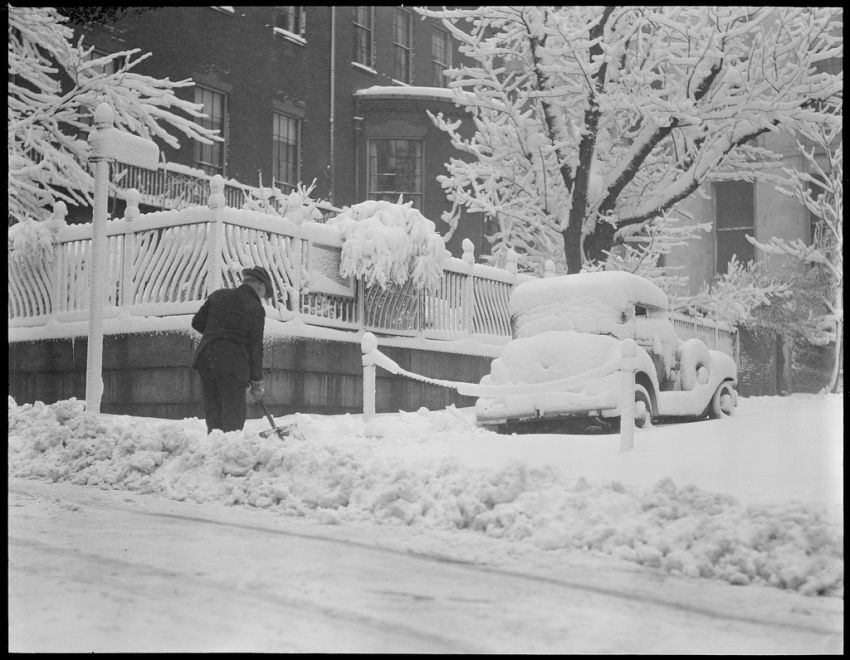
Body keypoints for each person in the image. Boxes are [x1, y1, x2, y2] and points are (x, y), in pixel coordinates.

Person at [191, 266, 273, 433]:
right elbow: (255, 346)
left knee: (214, 409)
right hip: (231, 361)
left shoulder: (219, 295)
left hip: (205, 357)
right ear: (260, 285)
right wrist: (256, 382)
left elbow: (197, 322)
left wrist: (218, 335)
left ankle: (215, 449)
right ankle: (229, 452)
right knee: (233, 412)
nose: (262, 297)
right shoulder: (255, 308)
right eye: (264, 293)